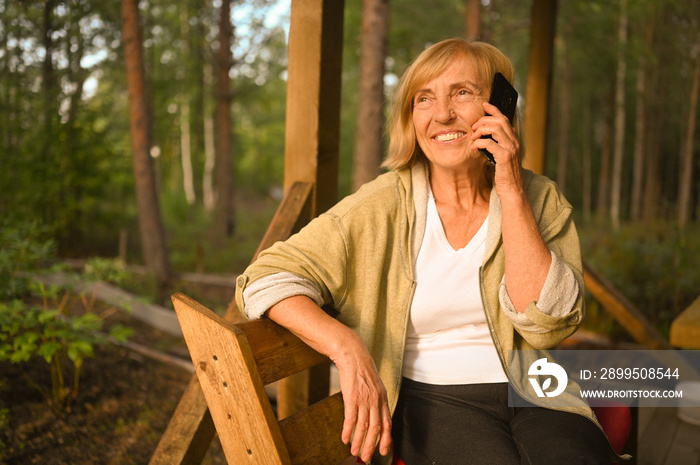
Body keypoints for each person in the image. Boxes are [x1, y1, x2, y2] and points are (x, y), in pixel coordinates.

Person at [235, 38, 613, 465]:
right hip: (434, 398)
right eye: (424, 98)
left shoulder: (539, 198)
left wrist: (509, 187)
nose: (442, 114)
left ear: (500, 110)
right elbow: (263, 279)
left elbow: (549, 325)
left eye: (463, 93)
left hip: (534, 387)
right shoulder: (380, 206)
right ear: (411, 118)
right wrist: (346, 346)